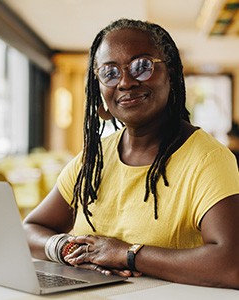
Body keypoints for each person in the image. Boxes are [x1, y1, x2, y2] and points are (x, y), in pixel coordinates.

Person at [23, 18, 239, 289]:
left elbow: (231, 265)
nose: (125, 82)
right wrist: (66, 248)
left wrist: (127, 254)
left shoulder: (208, 159)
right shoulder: (94, 158)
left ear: (170, 72)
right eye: (110, 72)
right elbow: (30, 229)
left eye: (141, 67)